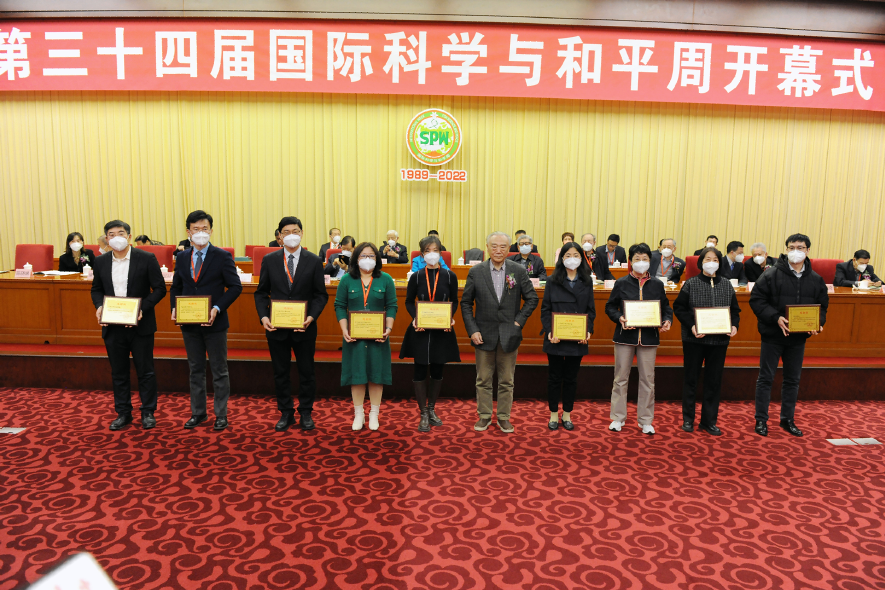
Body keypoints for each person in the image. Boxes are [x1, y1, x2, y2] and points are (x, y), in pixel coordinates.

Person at [254, 216, 329, 432]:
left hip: (304, 327)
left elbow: (320, 295)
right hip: (276, 328)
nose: (291, 235)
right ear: (279, 236)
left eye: (295, 231)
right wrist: (264, 317)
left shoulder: (313, 260)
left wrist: (311, 317)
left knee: (307, 372)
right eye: (286, 232)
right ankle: (286, 412)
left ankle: (306, 411)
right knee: (280, 372)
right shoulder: (270, 260)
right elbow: (261, 293)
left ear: (302, 233)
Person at [750, 233, 828, 438]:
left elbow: (822, 307)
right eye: (791, 247)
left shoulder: (816, 279)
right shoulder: (771, 274)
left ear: (808, 250)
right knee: (766, 379)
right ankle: (761, 420)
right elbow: (756, 300)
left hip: (798, 338)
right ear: (786, 250)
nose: (796, 251)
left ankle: (787, 419)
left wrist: (818, 324)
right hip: (772, 335)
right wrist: (775, 317)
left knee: (792, 380)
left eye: (800, 248)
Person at [170, 210, 243, 431]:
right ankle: (198, 413)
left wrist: (217, 308)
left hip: (215, 323)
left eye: (204, 229)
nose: (200, 232)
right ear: (188, 232)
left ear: (211, 231)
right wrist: (174, 307)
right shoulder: (182, 257)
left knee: (219, 370)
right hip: (188, 322)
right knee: (195, 369)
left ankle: (221, 414)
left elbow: (235, 287)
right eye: (196, 229)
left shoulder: (222, 256)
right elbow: (176, 287)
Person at [90, 220, 166, 430]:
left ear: (129, 236)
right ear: (107, 239)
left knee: (146, 371)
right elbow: (96, 289)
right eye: (111, 234)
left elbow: (160, 289)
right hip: (113, 325)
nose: (117, 238)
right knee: (118, 372)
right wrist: (99, 306)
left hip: (141, 325)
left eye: (121, 233)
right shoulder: (101, 261)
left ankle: (148, 412)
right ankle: (123, 413)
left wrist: (142, 308)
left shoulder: (146, 258)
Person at [461, 232, 539, 434]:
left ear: (508, 249)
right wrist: (473, 330)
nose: (498, 250)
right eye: (494, 246)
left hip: (509, 334)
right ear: (487, 247)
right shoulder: (476, 271)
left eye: (503, 246)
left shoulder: (518, 270)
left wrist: (518, 322)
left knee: (506, 381)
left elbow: (532, 298)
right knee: (483, 380)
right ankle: (484, 415)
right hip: (482, 334)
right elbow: (466, 303)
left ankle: (504, 417)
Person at [605, 243, 673, 435]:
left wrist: (667, 320)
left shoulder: (657, 284)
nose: (641, 262)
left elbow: (666, 308)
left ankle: (646, 420)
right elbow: (610, 307)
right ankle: (618, 417)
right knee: (620, 379)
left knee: (648, 380)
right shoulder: (621, 283)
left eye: (644, 259)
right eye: (637, 259)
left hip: (649, 338)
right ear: (630, 261)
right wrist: (620, 318)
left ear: (650, 261)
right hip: (625, 337)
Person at [673, 247, 741, 436]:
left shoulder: (727, 284)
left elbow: (735, 311)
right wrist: (692, 325)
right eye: (707, 259)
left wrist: (734, 325)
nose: (711, 263)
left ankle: (709, 421)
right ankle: (688, 419)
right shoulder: (690, 283)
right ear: (701, 262)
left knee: (714, 381)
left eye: (715, 260)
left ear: (720, 263)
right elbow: (679, 308)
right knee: (691, 379)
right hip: (694, 339)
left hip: (719, 341)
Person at [400, 235, 460, 431]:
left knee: (437, 369)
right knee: (419, 369)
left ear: (441, 253)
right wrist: (415, 317)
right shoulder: (416, 276)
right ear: (422, 254)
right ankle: (423, 412)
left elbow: (454, 300)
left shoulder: (450, 276)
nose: (431, 254)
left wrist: (450, 316)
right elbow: (409, 301)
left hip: (442, 329)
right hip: (421, 329)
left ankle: (432, 408)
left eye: (435, 250)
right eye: (427, 251)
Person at [335, 242, 397, 431]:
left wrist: (388, 328)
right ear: (356, 259)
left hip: (379, 337)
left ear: (377, 259)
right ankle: (359, 413)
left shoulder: (386, 279)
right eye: (363, 256)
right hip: (354, 338)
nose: (367, 259)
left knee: (376, 375)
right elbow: (340, 306)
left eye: (371, 256)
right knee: (357, 375)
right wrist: (344, 329)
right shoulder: (347, 280)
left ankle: (374, 414)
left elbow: (392, 306)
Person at [540, 242, 595, 431]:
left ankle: (567, 414)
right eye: (568, 255)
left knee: (571, 378)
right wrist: (550, 331)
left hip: (577, 338)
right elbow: (545, 309)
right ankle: (553, 414)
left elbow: (591, 310)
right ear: (562, 258)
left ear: (582, 258)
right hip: (555, 338)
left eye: (576, 255)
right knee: (554, 377)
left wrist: (587, 330)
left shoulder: (587, 281)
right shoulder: (552, 280)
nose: (572, 259)